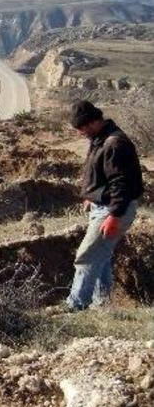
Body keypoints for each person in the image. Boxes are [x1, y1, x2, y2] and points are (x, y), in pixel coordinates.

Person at [64, 101, 144, 311]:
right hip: (103, 206)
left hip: (113, 209)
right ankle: (104, 304)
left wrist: (115, 216)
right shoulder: (100, 139)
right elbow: (103, 176)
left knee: (87, 255)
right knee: (101, 257)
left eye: (83, 127)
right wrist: (93, 195)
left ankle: (76, 305)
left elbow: (121, 183)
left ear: (95, 121)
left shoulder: (113, 144)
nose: (81, 132)